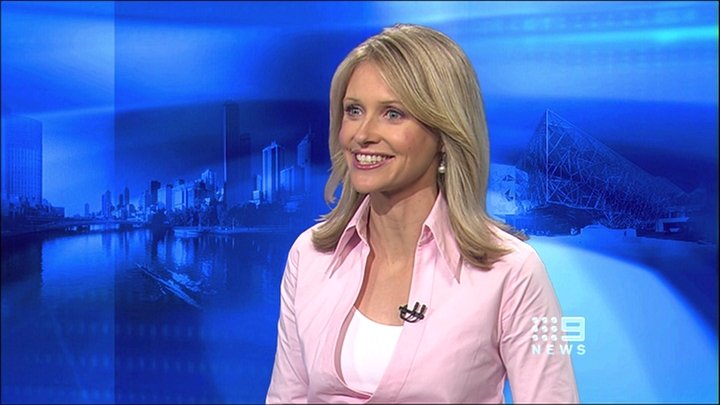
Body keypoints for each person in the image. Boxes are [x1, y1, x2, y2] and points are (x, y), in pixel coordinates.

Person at [266, 23, 578, 403]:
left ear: (444, 133)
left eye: (393, 113)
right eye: (354, 110)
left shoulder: (510, 270)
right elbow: (287, 396)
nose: (362, 134)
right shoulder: (310, 255)